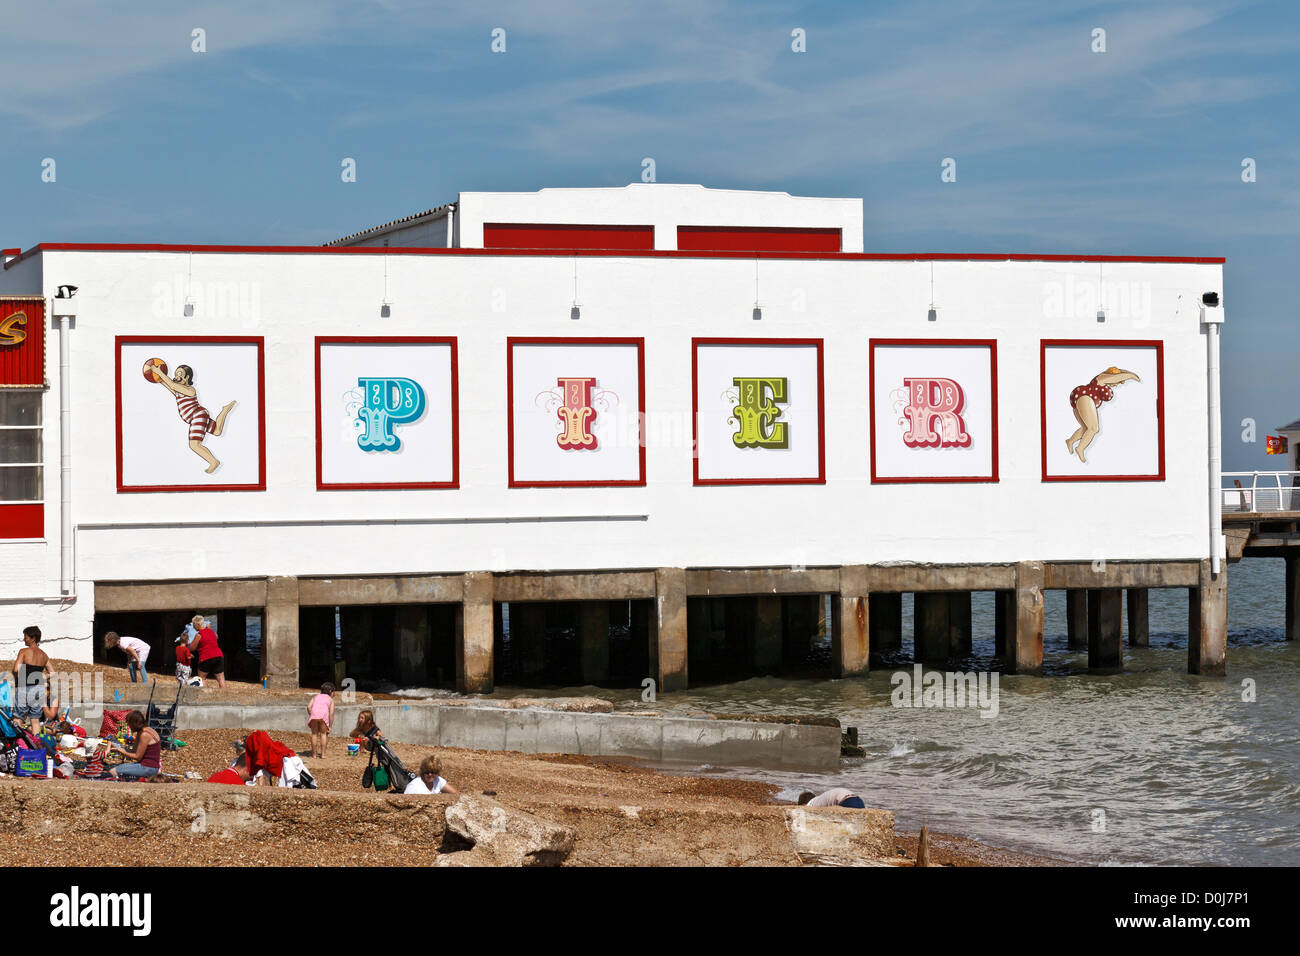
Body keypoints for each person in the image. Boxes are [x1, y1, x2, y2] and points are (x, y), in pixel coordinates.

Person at [149, 362, 236, 474]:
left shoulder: (190, 390)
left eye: (180, 374)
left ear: (187, 377)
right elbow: (170, 387)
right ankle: (224, 410)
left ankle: (213, 462)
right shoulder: (178, 390)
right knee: (217, 431)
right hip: (198, 415)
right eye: (176, 374)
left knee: (194, 444)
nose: (176, 376)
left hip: (197, 415)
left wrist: (159, 372)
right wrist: (159, 379)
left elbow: (172, 385)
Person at [1065, 366, 1140, 463]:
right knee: (1093, 428)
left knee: (1085, 428)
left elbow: (1119, 374)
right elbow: (1117, 377)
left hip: (1081, 397)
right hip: (1084, 397)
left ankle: (1070, 441)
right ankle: (1080, 448)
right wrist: (1131, 376)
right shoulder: (1103, 378)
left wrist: (1130, 373)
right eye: (1118, 382)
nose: (1117, 384)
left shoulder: (1103, 378)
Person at [12, 625, 49, 734]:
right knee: (35, 719)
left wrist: (19, 679)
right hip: (40, 690)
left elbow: (15, 669)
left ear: (33, 638)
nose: (24, 639)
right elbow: (52, 672)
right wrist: (43, 677)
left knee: (18, 717)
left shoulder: (23, 651)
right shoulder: (44, 655)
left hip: (25, 687)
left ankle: (17, 743)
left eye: (26, 637)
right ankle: (35, 744)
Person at [109, 710, 162, 781]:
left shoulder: (144, 734)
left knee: (113, 771)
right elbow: (134, 750)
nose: (129, 727)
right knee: (118, 768)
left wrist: (121, 750)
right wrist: (119, 747)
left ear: (134, 723)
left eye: (129, 724)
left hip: (149, 768)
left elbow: (137, 756)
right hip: (146, 766)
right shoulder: (143, 731)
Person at [190, 614, 226, 689]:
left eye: (194, 624)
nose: (193, 626)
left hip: (206, 657)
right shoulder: (212, 632)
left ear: (198, 624)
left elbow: (192, 648)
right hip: (219, 656)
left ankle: (206, 695)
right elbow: (216, 637)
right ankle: (224, 695)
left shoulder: (198, 635)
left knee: (202, 678)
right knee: (221, 678)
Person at [307, 682, 335, 759]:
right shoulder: (330, 700)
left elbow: (309, 707)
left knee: (314, 734)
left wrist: (312, 714)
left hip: (314, 716)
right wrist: (330, 726)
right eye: (333, 692)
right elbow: (331, 713)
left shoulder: (315, 697)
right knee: (323, 734)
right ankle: (323, 754)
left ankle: (314, 755)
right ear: (330, 691)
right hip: (323, 717)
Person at [797, 788, 866, 809]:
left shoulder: (811, 804)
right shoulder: (820, 799)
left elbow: (807, 810)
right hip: (858, 800)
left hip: (847, 802)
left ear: (804, 804)